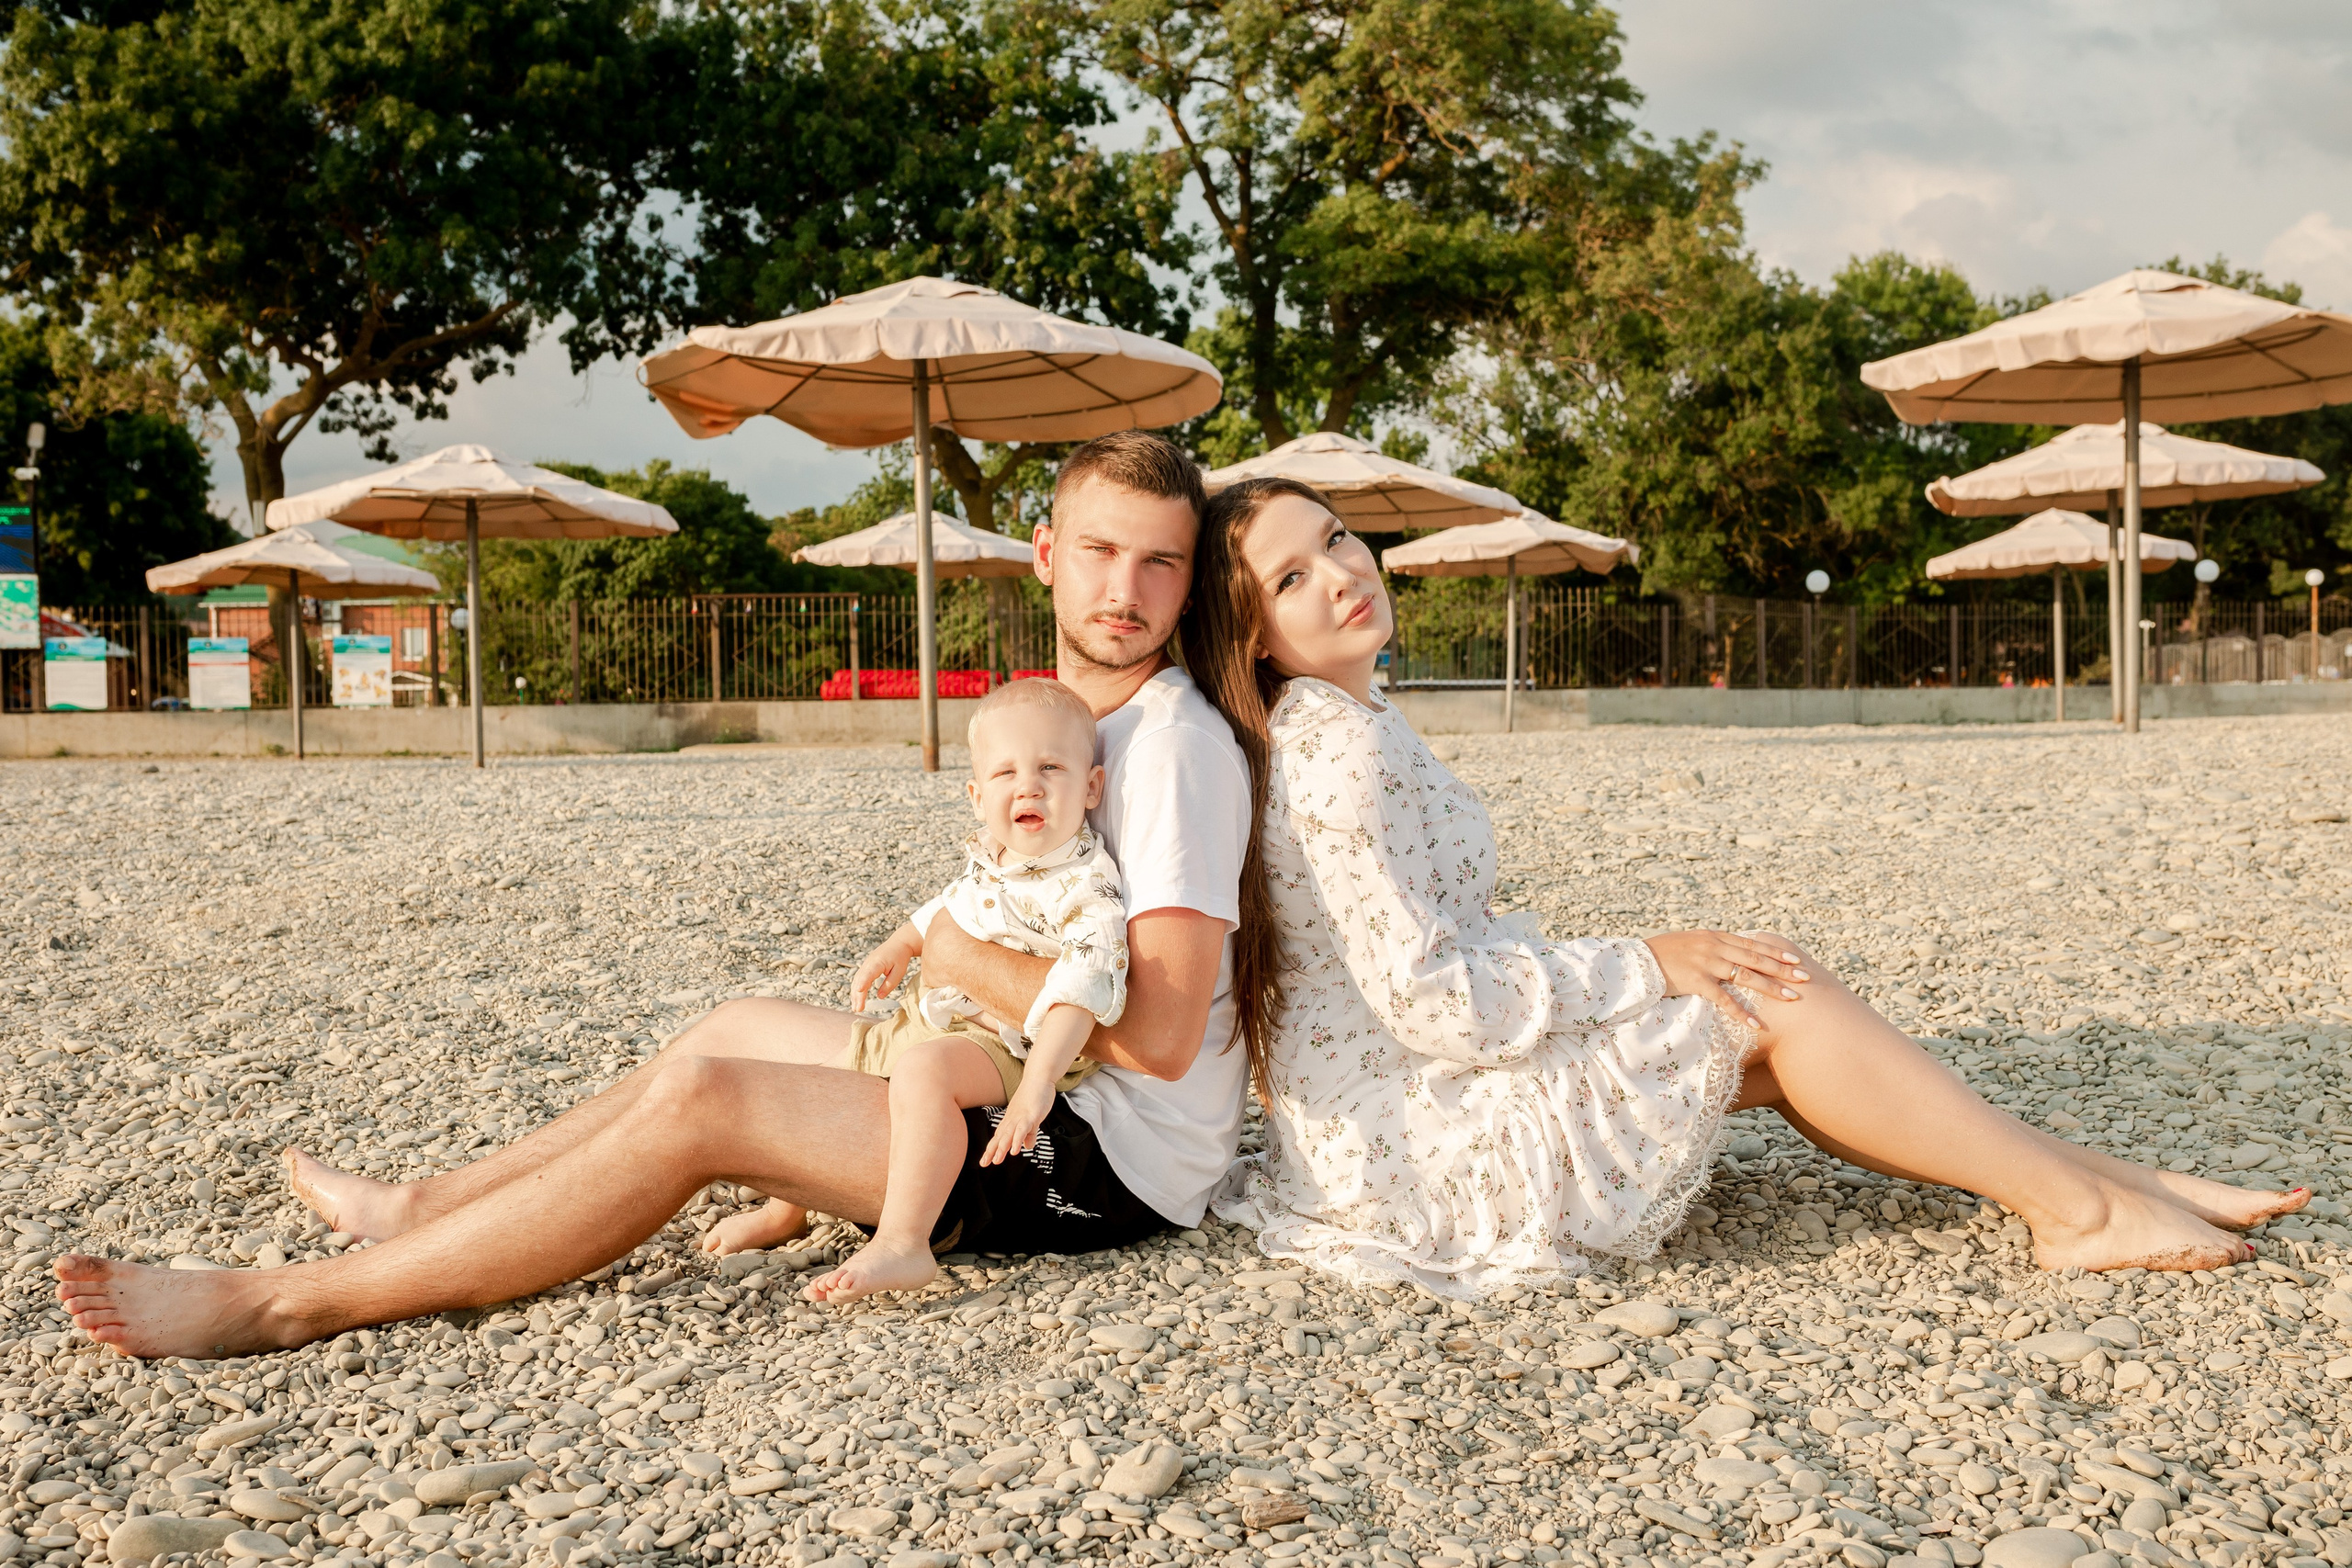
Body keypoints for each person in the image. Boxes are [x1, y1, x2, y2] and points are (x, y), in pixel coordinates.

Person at [50, 431, 1256, 1357]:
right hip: (1014, 1072)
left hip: (1102, 1159)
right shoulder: (1071, 721)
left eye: (1161, 559)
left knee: (702, 1099)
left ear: (1188, 580)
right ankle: (431, 1199)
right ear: (1047, 553)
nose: (1125, 585)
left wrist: (946, 950)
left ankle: (281, 1303)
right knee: (732, 1022)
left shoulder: (1175, 751)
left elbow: (1153, 1037)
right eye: (1101, 548)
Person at [1183, 476, 2310, 1296]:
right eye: (1292, 577)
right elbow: (1430, 999)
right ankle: (2077, 1209)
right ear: (1260, 639)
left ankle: (2089, 1177)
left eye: (1335, 539)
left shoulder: (1347, 720)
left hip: (1391, 1099)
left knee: (1771, 1025)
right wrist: (1646, 959)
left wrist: (1652, 967)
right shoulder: (1339, 750)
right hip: (1414, 1137)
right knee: (1777, 1001)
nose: (1339, 574)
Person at [736, 676, 1134, 1303]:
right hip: (945, 1015)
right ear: (978, 796)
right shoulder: (995, 854)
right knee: (831, 1076)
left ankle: (904, 1241)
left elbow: (1081, 989)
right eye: (1006, 773)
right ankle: (791, 1205)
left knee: (924, 1072)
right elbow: (952, 904)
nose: (1027, 784)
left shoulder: (1086, 885)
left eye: (1050, 766)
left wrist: (1036, 1086)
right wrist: (900, 944)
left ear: (1091, 786)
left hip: (1018, 1043)